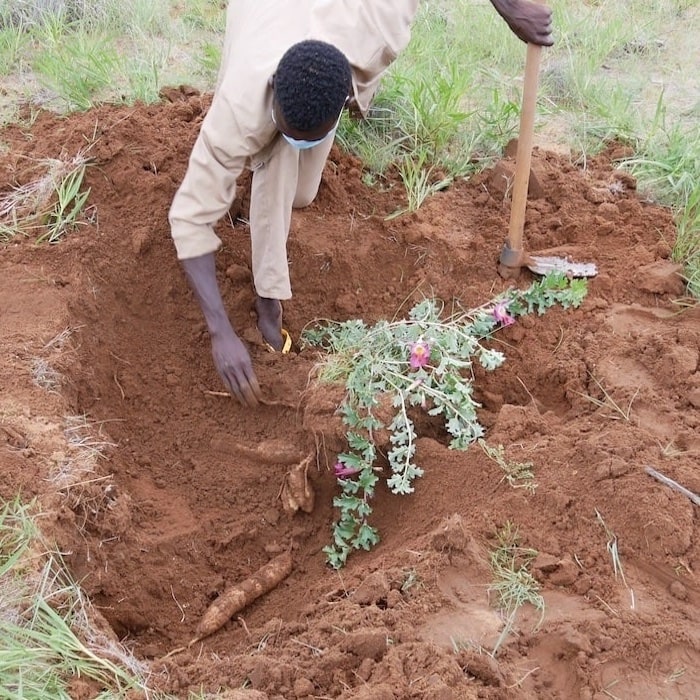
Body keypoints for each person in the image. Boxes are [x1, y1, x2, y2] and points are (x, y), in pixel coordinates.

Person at [169, 0, 553, 406]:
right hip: (264, 15)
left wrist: (511, 6)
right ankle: (270, 305)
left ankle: (286, 161)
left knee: (303, 194)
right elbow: (188, 221)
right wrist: (221, 333)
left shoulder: (379, 23)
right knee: (277, 153)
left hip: (335, 34)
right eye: (285, 125)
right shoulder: (240, 111)